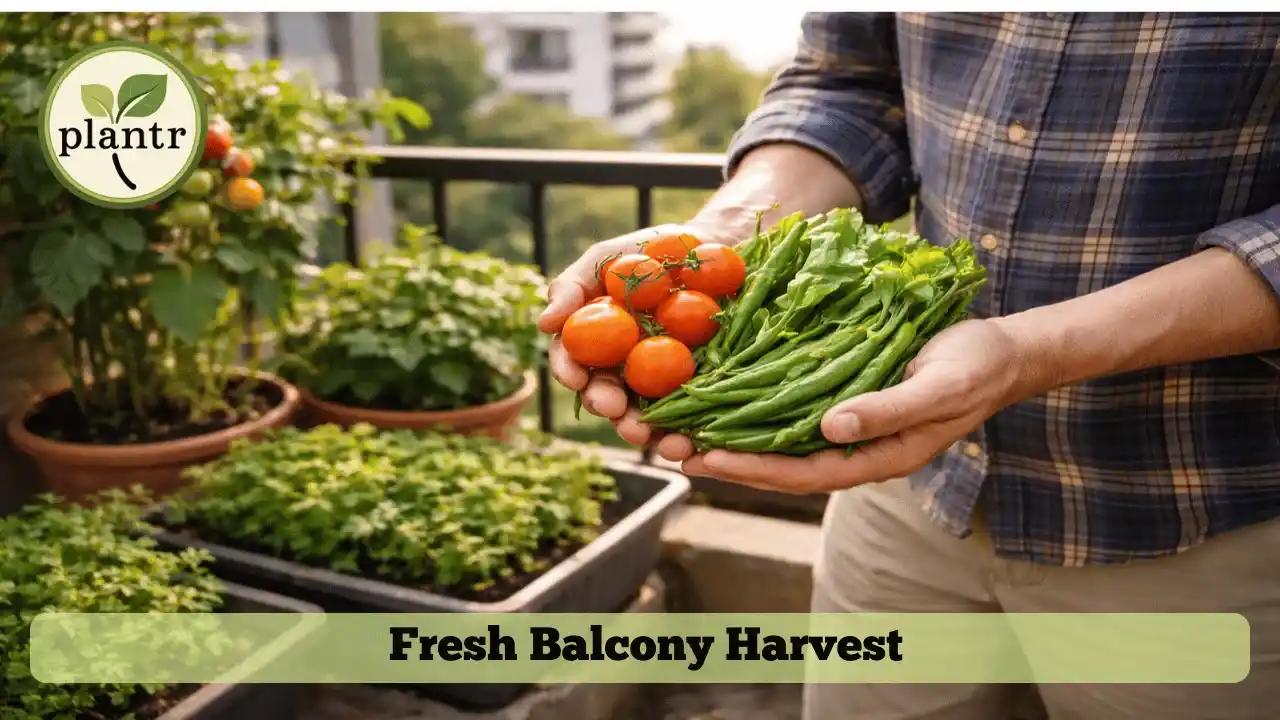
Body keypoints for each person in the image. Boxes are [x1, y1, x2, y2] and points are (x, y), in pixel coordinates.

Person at [539, 12, 1280, 719]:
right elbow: (848, 83)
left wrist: (1026, 352)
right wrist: (715, 242)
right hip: (907, 482)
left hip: (1193, 513)